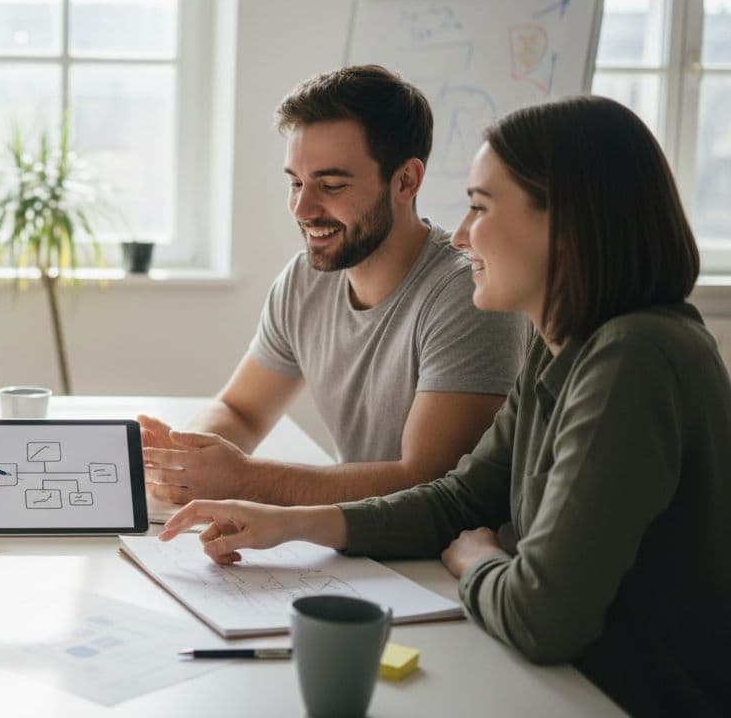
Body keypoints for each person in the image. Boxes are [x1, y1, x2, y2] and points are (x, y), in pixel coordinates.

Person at [160, 95, 730, 717]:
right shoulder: (560, 345)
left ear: (566, 224)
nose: (460, 235)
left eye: (480, 208)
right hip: (563, 684)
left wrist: (479, 561)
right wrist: (293, 523)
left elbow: (540, 618)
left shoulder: (633, 358)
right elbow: (461, 498)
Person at [141, 65, 526, 509]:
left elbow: (427, 482)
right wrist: (187, 457)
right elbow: (240, 411)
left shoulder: (467, 293)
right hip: (359, 539)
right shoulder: (305, 280)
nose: (302, 208)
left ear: (405, 181)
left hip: (450, 547)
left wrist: (245, 480)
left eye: (331, 185)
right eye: (295, 182)